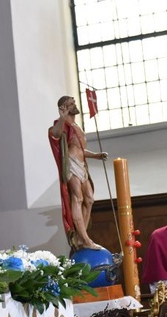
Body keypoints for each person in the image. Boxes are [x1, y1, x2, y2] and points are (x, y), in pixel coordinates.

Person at [48, 95, 108, 250]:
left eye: (74, 103)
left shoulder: (76, 126)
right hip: (71, 166)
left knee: (89, 199)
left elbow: (79, 149)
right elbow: (54, 134)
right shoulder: (62, 124)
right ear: (63, 108)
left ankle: (82, 236)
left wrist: (96, 155)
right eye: (70, 104)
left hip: (82, 165)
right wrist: (61, 118)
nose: (74, 105)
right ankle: (85, 239)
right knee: (78, 198)